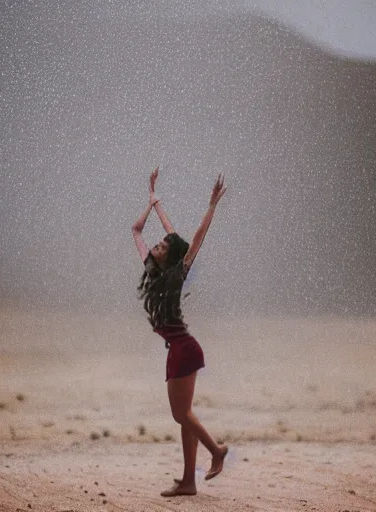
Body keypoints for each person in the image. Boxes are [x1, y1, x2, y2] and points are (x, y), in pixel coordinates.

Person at [132, 167, 228, 497]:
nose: (158, 245)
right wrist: (153, 198)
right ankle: (189, 481)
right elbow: (145, 230)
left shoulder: (174, 276)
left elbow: (194, 239)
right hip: (178, 349)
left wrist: (211, 206)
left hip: (185, 349)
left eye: (162, 246)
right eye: (157, 245)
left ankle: (217, 452)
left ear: (170, 257)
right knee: (183, 417)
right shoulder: (154, 273)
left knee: (181, 414)